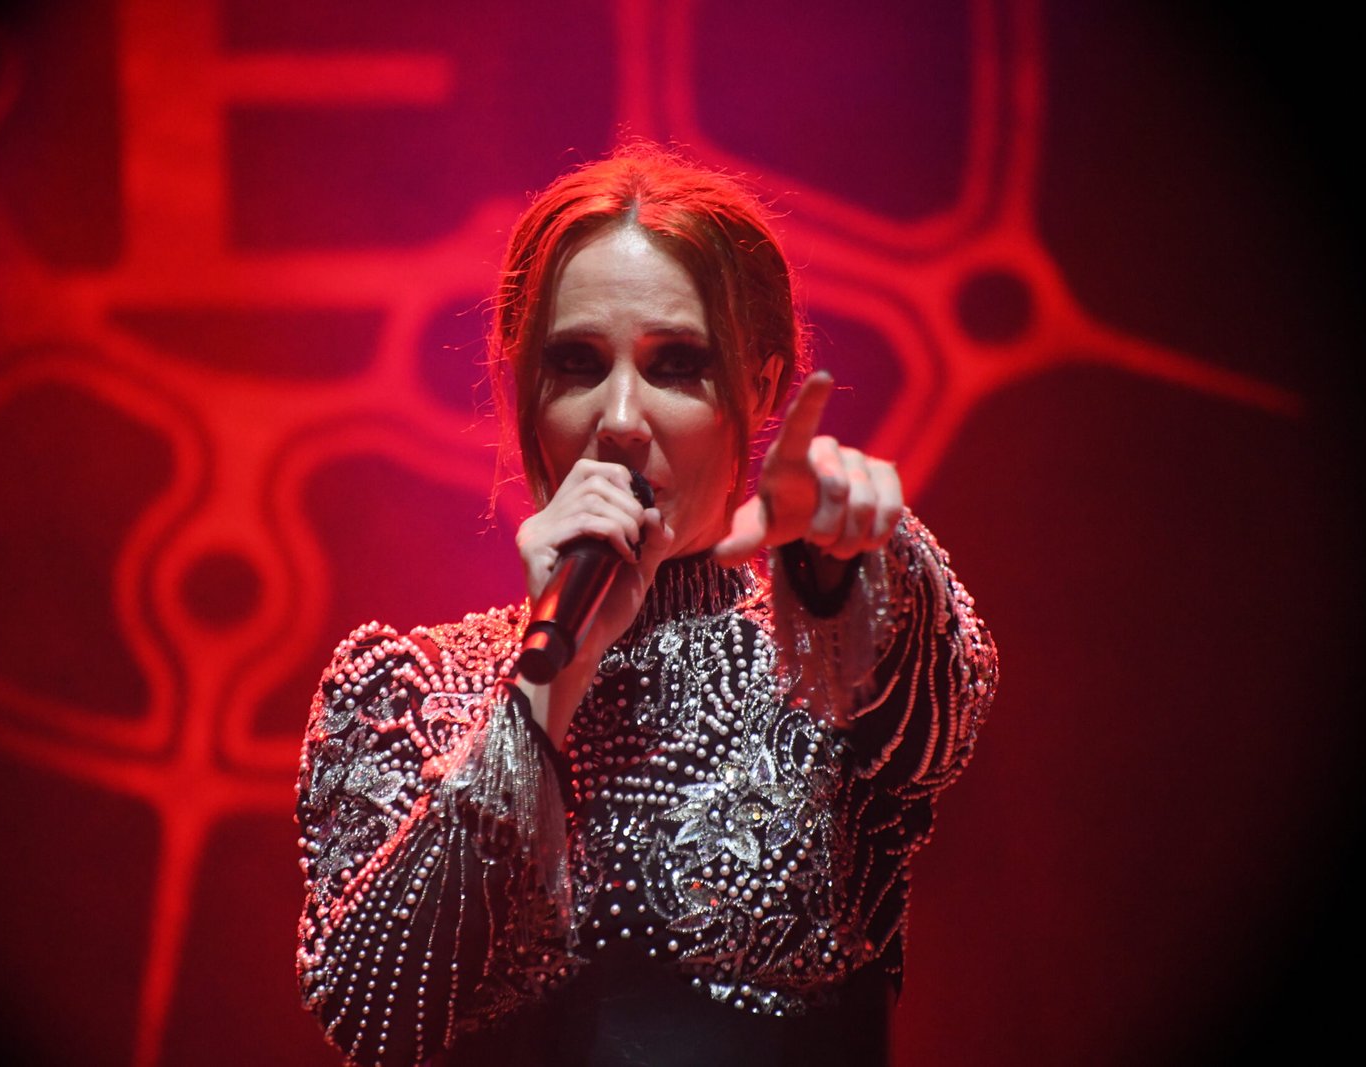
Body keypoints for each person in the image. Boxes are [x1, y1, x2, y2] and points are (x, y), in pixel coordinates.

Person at [295, 143, 998, 1067]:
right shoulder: (404, 689)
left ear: (762, 387)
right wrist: (548, 684)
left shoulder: (822, 666)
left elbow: (938, 712)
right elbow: (373, 1012)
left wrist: (851, 558)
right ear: (520, 388)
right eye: (577, 363)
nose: (621, 418)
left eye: (676, 365)